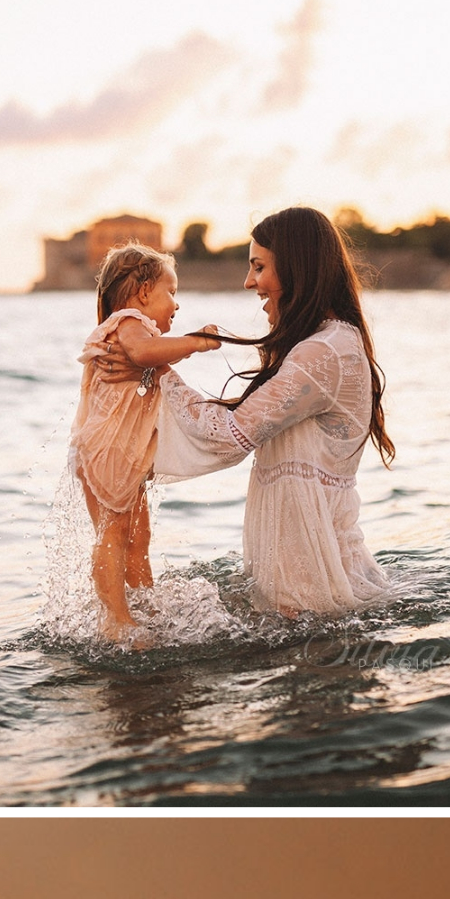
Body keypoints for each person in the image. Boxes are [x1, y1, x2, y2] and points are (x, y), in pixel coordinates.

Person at [148, 208, 395, 615]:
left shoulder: (322, 352)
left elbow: (228, 437)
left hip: (313, 592)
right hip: (313, 582)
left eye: (259, 267)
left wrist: (157, 366)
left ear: (298, 268)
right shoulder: (325, 343)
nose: (249, 282)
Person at [67, 247, 225, 633]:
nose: (177, 303)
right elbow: (144, 353)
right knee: (115, 533)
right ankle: (115, 619)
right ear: (143, 293)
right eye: (171, 292)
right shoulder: (128, 322)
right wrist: (196, 343)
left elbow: (157, 366)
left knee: (138, 536)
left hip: (119, 452)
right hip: (107, 449)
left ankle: (143, 603)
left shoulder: (132, 327)